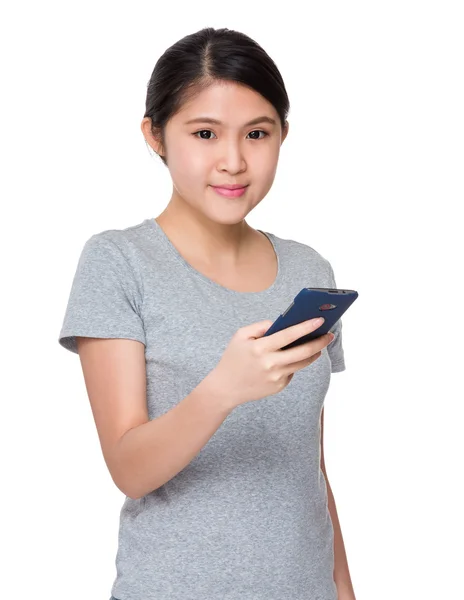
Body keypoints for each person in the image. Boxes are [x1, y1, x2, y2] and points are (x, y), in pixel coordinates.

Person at [58, 26, 356, 600]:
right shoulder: (118, 261)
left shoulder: (309, 271)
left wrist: (343, 588)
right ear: (155, 135)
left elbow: (308, 466)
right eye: (204, 133)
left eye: (257, 133)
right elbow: (129, 468)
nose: (234, 161)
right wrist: (223, 388)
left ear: (282, 136)